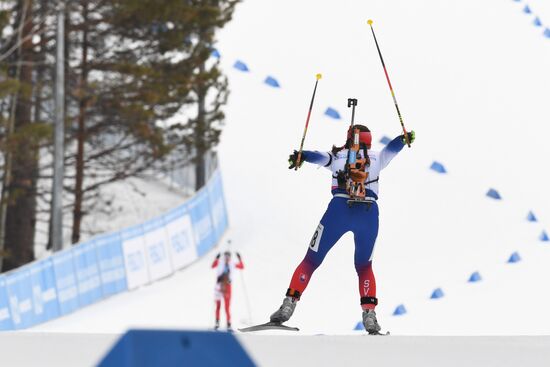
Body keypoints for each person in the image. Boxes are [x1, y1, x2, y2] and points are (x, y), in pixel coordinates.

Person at [270, 125, 415, 334]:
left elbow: (317, 157)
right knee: (364, 267)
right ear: (370, 140)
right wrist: (404, 138)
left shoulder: (337, 156)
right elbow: (391, 149)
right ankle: (369, 314)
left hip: (339, 210)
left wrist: (300, 157)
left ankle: (288, 304)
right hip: (368, 213)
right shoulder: (376, 158)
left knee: (310, 261)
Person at [211, 250, 244, 331]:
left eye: (228, 256)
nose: (226, 258)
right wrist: (216, 258)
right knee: (218, 306)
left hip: (227, 286)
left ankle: (228, 324)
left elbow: (241, 266)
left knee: (227, 307)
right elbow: (213, 266)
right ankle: (217, 323)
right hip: (219, 286)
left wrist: (240, 259)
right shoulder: (220, 262)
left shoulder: (232, 264)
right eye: (225, 256)